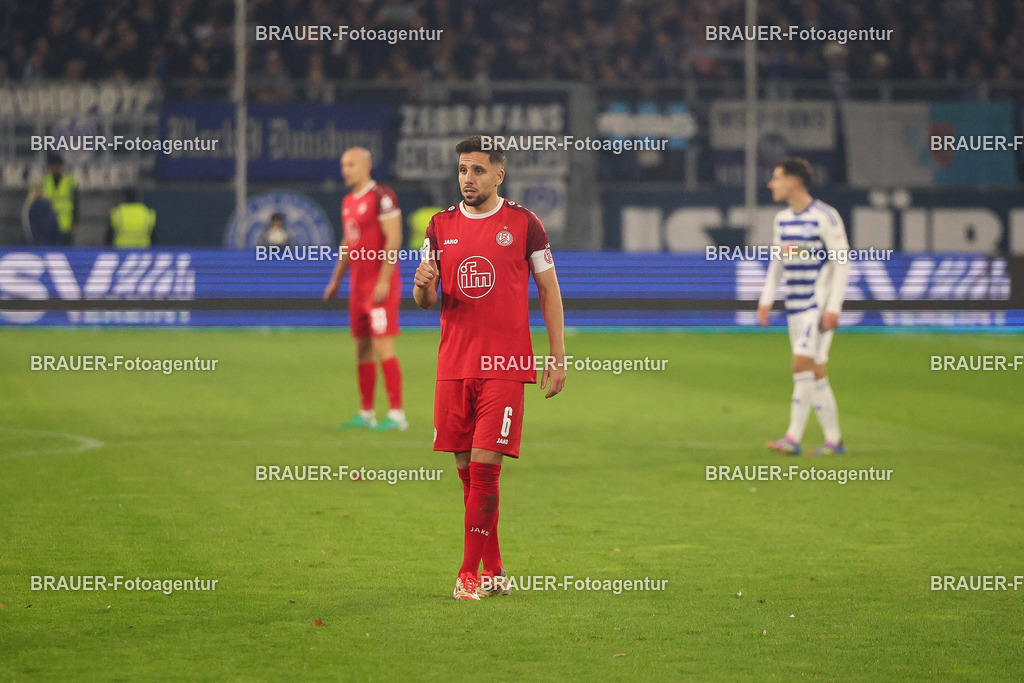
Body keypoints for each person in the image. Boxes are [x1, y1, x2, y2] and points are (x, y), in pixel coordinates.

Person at [413, 135, 566, 601]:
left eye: (478, 170)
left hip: (504, 364)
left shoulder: (524, 223)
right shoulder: (439, 227)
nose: (468, 179)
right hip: (453, 364)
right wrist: (421, 286)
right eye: (462, 170)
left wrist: (557, 356)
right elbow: (424, 301)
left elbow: (549, 290)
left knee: (484, 470)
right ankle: (495, 569)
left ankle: (467, 575)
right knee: (466, 471)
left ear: (499, 174)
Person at [758, 157, 851, 456]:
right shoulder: (782, 220)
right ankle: (834, 441)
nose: (771, 184)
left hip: (817, 304)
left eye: (777, 177)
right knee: (816, 370)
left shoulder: (826, 216)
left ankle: (793, 438)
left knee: (800, 364)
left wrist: (833, 306)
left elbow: (842, 262)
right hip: (794, 306)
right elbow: (777, 262)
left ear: (794, 181)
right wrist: (766, 299)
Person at [323, 148, 407, 431]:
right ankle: (367, 412)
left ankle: (397, 415)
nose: (345, 170)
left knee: (384, 345)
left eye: (351, 164)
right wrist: (336, 279)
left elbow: (393, 239)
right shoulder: (348, 201)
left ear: (367, 166)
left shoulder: (382, 197)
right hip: (357, 288)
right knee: (362, 348)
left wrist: (384, 279)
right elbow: (348, 243)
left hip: (379, 286)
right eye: (343, 164)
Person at [42, 154, 78, 246]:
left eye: (58, 166)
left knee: (66, 252)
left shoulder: (69, 182)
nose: (55, 168)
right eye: (53, 166)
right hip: (48, 225)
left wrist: (74, 222)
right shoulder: (44, 181)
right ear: (49, 167)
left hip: (65, 224)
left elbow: (76, 203)